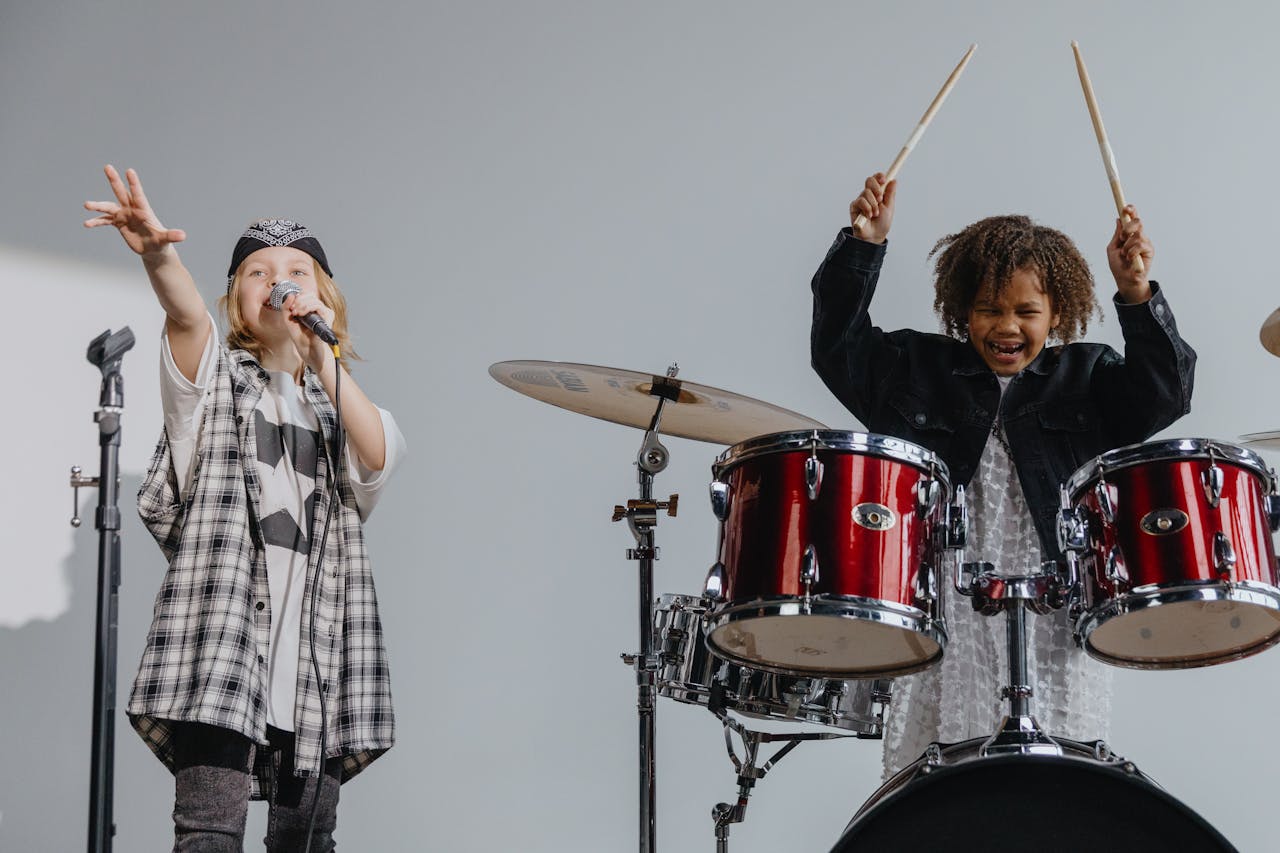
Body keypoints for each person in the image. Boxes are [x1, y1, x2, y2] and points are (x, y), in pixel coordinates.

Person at [810, 172, 1195, 779]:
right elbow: (837, 347)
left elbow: (1165, 392)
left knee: (1058, 774)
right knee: (940, 776)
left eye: (1026, 311)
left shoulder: (1088, 376)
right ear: (962, 310)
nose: (1006, 326)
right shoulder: (918, 369)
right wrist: (864, 247)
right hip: (945, 598)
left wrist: (1137, 294)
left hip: (1053, 603)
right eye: (988, 309)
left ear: (1057, 312)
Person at [84, 165, 406, 850]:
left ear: (327, 298)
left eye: (298, 270)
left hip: (318, 666)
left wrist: (324, 356)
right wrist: (158, 254)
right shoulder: (214, 387)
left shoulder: (342, 407)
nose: (280, 282)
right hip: (221, 655)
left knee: (307, 837)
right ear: (238, 300)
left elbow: (375, 453)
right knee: (208, 831)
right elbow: (185, 316)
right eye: (258, 272)